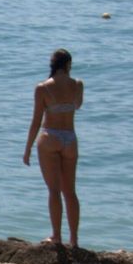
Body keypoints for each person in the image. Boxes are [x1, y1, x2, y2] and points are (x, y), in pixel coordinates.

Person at [23, 48, 84, 249]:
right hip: (70, 139)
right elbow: (78, 105)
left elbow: (36, 121)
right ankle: (74, 240)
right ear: (68, 65)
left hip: (50, 137)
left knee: (54, 191)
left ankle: (56, 236)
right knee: (71, 192)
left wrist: (28, 148)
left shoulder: (42, 88)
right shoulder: (77, 85)